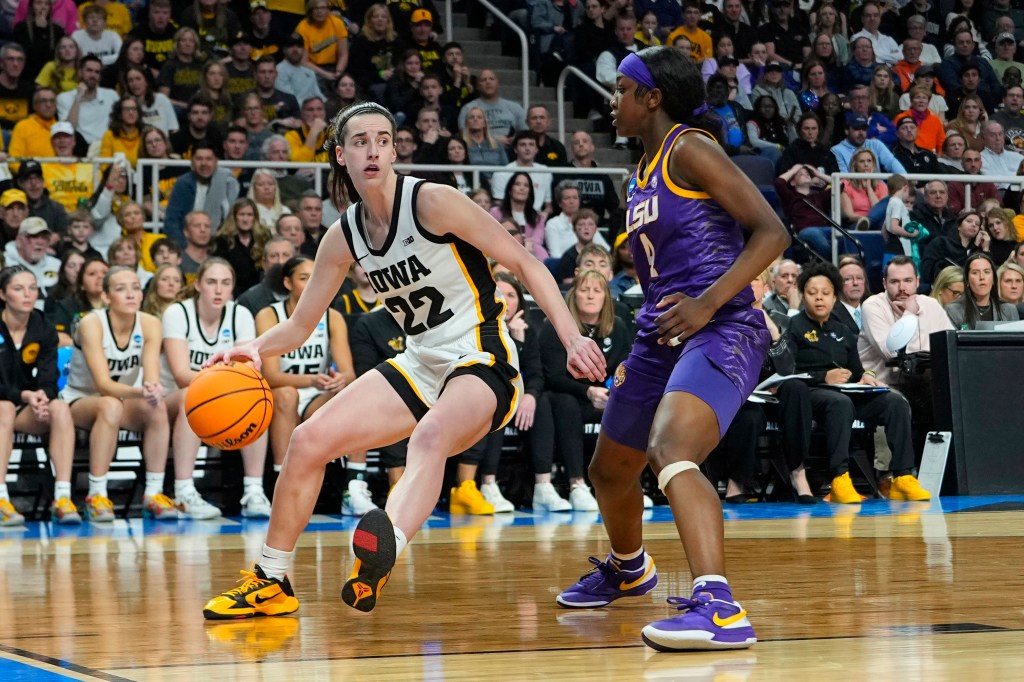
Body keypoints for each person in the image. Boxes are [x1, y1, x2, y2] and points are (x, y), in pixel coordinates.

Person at [201, 101, 606, 620]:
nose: (372, 149)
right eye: (360, 141)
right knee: (307, 442)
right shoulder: (343, 235)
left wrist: (571, 338)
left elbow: (525, 262)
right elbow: (301, 324)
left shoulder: (433, 202)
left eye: (382, 139)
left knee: (430, 436)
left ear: (394, 149)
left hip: (482, 357)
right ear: (341, 155)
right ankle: (271, 581)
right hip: (419, 362)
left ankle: (383, 542)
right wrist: (255, 349)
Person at [554, 46, 789, 652]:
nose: (613, 100)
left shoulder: (690, 148)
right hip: (663, 332)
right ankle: (631, 569)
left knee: (672, 448)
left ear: (651, 97)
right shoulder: (640, 170)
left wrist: (709, 303)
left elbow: (772, 232)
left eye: (622, 89)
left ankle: (720, 607)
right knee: (609, 470)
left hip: (723, 324)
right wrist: (646, 343)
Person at [785, 261, 931, 504]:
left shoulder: (843, 330)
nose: (819, 299)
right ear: (803, 296)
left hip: (846, 392)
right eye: (812, 293)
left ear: (834, 298)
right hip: (812, 394)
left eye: (826, 293)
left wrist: (867, 377)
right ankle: (839, 478)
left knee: (894, 401)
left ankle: (903, 476)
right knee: (839, 403)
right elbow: (788, 372)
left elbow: (857, 369)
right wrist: (823, 377)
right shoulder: (795, 326)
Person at [254, 256, 370, 516]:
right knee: (285, 396)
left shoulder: (332, 317)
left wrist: (340, 380)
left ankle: (355, 487)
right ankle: (281, 487)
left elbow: (349, 372)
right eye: (303, 278)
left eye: (313, 277)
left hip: (316, 395)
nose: (310, 283)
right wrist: (311, 380)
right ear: (287, 282)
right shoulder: (269, 314)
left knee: (357, 395)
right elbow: (271, 376)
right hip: (281, 394)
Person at [59, 267, 174, 522]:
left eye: (135, 287)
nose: (131, 294)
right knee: (110, 404)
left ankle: (153, 493)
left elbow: (151, 372)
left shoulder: (150, 323)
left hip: (123, 400)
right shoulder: (91, 322)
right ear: (107, 297)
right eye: (121, 289)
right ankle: (96, 495)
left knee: (157, 407)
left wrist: (152, 389)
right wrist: (139, 391)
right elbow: (103, 384)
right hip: (79, 400)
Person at [161, 258, 272, 520]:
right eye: (211, 282)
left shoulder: (240, 314)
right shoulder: (177, 313)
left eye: (226, 283)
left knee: (256, 400)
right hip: (169, 401)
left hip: (217, 397)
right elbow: (180, 375)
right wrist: (222, 381)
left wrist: (227, 385)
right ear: (198, 284)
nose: (219, 290)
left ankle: (254, 491)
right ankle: (183, 491)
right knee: (192, 395)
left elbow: (249, 372)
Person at [0, 267, 80, 526]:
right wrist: (23, 395)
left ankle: (63, 497)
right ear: (2, 294)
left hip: (23, 405)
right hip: (6, 405)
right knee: (4, 409)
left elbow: (49, 378)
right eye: (18, 289)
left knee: (59, 408)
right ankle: (1, 499)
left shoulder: (43, 326)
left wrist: (42, 398)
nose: (28, 295)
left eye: (32, 288)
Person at [944, 252, 1020, 328]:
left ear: (993, 279)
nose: (982, 277)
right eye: (975, 273)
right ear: (967, 280)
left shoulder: (1009, 310)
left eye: (987, 272)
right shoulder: (953, 311)